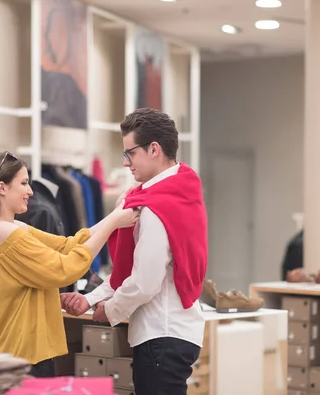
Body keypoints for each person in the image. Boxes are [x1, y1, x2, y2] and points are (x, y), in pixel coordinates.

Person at [61, 108, 209, 394]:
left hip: (161, 334)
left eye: (130, 153)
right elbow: (130, 272)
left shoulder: (155, 207)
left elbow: (144, 281)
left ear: (154, 149)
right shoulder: (183, 191)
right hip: (176, 331)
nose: (126, 162)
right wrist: (90, 299)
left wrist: (110, 310)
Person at [0, 151, 139, 378]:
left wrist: (114, 216)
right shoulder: (6, 234)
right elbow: (65, 269)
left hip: (25, 353)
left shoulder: (12, 229)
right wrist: (114, 223)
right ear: (2, 188)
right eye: (23, 183)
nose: (31, 191)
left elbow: (68, 245)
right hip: (25, 357)